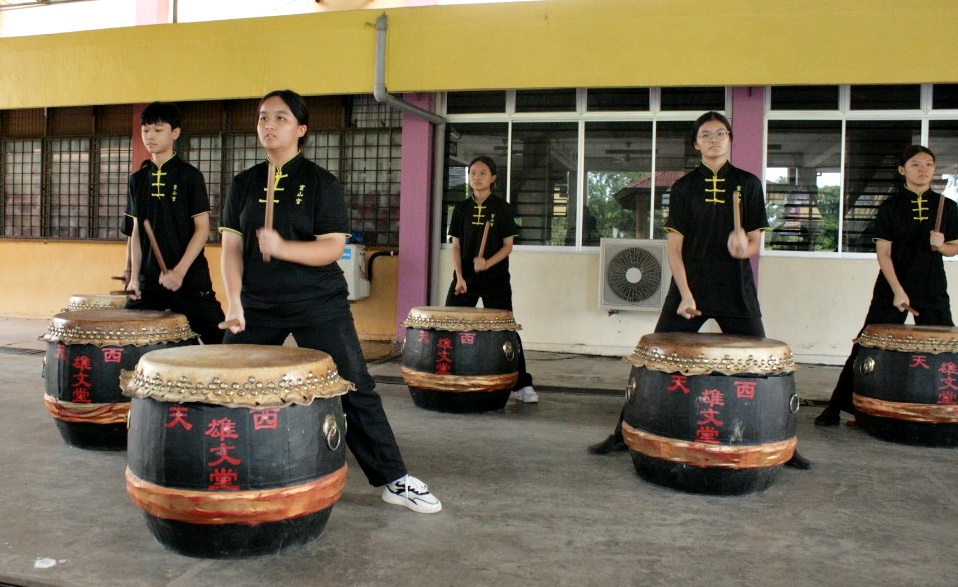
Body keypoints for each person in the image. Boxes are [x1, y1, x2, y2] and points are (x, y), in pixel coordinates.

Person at [219, 89, 441, 514]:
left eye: (280, 118)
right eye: (263, 117)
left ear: (300, 129)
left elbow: (331, 248)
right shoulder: (243, 183)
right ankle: (234, 470)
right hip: (256, 304)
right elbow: (230, 250)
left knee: (354, 385)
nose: (268, 124)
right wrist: (233, 303)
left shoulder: (321, 182)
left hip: (316, 300)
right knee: (230, 384)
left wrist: (281, 246)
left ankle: (394, 479)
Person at [588, 111, 811, 470]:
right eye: (706, 135)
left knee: (765, 367)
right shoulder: (684, 187)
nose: (714, 140)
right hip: (689, 289)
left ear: (730, 139)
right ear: (696, 144)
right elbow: (674, 247)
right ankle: (621, 432)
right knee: (653, 360)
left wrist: (746, 248)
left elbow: (754, 242)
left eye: (720, 133)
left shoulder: (748, 184)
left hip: (736, 290)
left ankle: (784, 444)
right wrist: (687, 294)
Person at [815, 145, 958, 426]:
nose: (924, 169)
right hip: (892, 287)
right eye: (916, 164)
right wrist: (897, 290)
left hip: (931, 288)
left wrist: (943, 247)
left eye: (929, 164)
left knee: (945, 350)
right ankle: (837, 406)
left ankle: (947, 413)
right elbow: (883, 253)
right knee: (867, 345)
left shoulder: (947, 206)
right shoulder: (890, 207)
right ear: (902, 170)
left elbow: (955, 247)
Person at [124, 101, 225, 345]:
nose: (150, 136)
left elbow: (202, 230)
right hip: (149, 281)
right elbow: (136, 233)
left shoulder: (190, 176)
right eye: (146, 130)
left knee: (221, 341)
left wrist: (179, 272)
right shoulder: (137, 180)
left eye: (158, 130)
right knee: (130, 341)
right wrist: (133, 277)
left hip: (189, 278)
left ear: (175, 133)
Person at [445, 155, 537, 403]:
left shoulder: (501, 208)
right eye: (472, 172)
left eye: (482, 173)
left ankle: (521, 385)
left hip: (495, 279)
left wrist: (487, 263)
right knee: (449, 325)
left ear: (493, 178)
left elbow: (508, 246)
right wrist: (460, 278)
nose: (476, 177)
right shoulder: (461, 208)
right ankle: (447, 378)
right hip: (465, 280)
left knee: (506, 328)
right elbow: (456, 247)